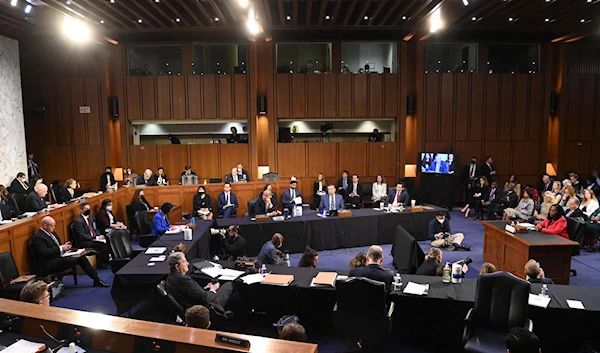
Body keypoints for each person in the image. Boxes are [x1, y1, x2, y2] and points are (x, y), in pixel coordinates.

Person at [31, 216, 109, 287]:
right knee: (78, 259)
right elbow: (44, 252)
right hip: (49, 262)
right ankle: (96, 279)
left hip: (60, 256)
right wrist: (61, 248)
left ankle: (96, 279)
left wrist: (65, 246)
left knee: (81, 256)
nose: (54, 228)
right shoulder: (38, 238)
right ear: (45, 226)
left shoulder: (52, 233)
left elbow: (56, 246)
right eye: (52, 226)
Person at [165, 252, 232, 310]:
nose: (188, 263)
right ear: (177, 266)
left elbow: (191, 293)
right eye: (184, 261)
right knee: (229, 285)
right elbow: (205, 298)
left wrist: (204, 289)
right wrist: (213, 289)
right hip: (203, 308)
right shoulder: (183, 280)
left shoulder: (170, 277)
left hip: (192, 304)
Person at [72, 202, 110, 268]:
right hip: (85, 241)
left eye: (89, 208)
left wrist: (99, 236)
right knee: (102, 245)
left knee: (108, 240)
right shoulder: (78, 221)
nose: (88, 210)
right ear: (81, 210)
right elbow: (82, 235)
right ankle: (102, 264)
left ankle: (107, 260)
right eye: (86, 209)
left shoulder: (91, 218)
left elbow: (95, 229)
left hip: (94, 238)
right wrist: (95, 237)